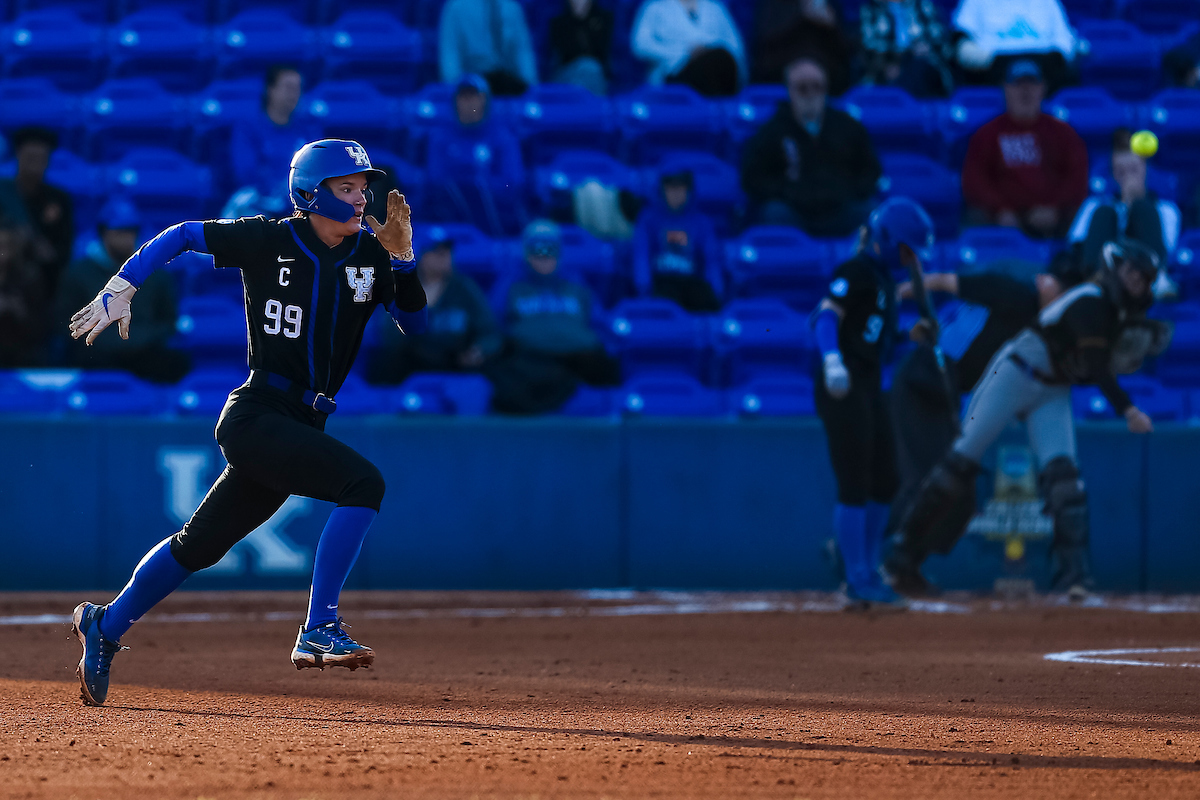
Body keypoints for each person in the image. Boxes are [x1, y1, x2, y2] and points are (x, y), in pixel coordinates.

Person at [66, 139, 429, 706]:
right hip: (258, 413)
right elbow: (185, 233)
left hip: (304, 424)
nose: (362, 197)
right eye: (347, 187)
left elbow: (418, 329)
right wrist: (124, 285)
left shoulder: (370, 255)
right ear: (310, 194)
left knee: (198, 545)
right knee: (364, 484)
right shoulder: (270, 237)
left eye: (363, 186)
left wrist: (404, 261)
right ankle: (319, 627)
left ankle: (104, 626)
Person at [892, 239, 1166, 598]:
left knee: (1065, 477)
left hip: (1053, 387)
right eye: (1131, 274)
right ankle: (901, 556)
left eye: (1142, 279)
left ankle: (1075, 578)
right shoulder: (1088, 300)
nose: (1135, 283)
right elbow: (1096, 365)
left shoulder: (1113, 314)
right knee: (961, 459)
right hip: (1016, 371)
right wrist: (1127, 408)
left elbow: (1083, 366)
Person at [883, 254, 1083, 596]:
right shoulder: (1014, 291)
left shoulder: (1046, 328)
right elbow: (948, 280)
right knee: (924, 481)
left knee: (958, 496)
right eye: (1056, 284)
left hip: (945, 397)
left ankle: (905, 564)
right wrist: (903, 291)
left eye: (1066, 290)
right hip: (919, 385)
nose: (1056, 291)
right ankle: (867, 558)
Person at [812, 197, 935, 606]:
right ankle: (856, 577)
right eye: (906, 249)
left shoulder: (883, 280)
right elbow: (827, 315)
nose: (910, 258)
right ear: (886, 240)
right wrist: (832, 362)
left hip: (868, 381)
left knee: (886, 478)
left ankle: (867, 566)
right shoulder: (857, 271)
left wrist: (906, 337)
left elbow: (873, 332)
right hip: (842, 383)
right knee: (855, 480)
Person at [488, 220, 621, 413]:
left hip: (578, 359)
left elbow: (599, 325)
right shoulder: (510, 286)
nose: (544, 256)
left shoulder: (577, 285)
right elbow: (494, 325)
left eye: (550, 250)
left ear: (559, 252)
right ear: (526, 253)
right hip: (532, 360)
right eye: (537, 250)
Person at [741, 57, 882, 236]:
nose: (810, 93)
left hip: (841, 209)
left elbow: (871, 169)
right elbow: (752, 176)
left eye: (817, 86)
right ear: (790, 90)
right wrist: (786, 191)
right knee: (775, 214)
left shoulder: (847, 126)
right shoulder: (772, 130)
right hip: (795, 212)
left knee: (871, 213)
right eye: (802, 87)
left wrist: (849, 190)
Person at [56, 198, 191, 384]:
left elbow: (168, 321)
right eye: (119, 232)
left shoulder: (156, 275)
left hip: (142, 351)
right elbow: (66, 321)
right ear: (103, 233)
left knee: (175, 363)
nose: (126, 239)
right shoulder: (79, 273)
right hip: (96, 352)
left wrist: (141, 337)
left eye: (130, 232)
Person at [961, 60, 1088, 240]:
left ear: (1042, 89)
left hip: (1054, 216)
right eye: (1018, 85)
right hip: (1003, 217)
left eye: (1031, 85)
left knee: (1082, 213)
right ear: (1006, 89)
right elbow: (974, 180)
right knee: (976, 216)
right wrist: (1000, 209)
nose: (1025, 91)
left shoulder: (1063, 133)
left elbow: (1077, 177)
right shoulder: (987, 134)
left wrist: (1055, 207)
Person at [366, 226, 501, 385]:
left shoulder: (465, 289)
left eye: (447, 251)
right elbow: (388, 336)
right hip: (412, 361)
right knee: (384, 362)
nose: (444, 257)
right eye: (436, 252)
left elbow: (489, 331)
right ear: (421, 255)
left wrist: (479, 351)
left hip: (455, 361)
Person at [1068, 130, 1181, 300]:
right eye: (1121, 172)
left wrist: (1132, 205)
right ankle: (1096, 283)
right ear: (1113, 173)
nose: (1128, 177)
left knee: (1143, 209)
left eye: (1133, 170)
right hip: (1107, 276)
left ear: (1145, 169)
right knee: (1103, 212)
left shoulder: (1166, 209)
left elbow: (1168, 247)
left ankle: (1156, 281)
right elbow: (1078, 246)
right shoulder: (1092, 206)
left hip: (1146, 278)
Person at [426, 75, 527, 237]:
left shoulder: (502, 136)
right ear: (455, 101)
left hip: (495, 217)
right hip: (452, 215)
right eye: (464, 97)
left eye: (474, 96)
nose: (469, 103)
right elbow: (435, 179)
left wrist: (477, 183)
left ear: (485, 100)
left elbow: (512, 182)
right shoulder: (441, 137)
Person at [224, 65, 322, 220]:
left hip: (298, 203)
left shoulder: (308, 129)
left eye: (298, 88)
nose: (294, 94)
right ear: (271, 90)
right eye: (288, 87)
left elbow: (317, 171)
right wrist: (272, 192)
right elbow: (246, 171)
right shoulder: (248, 126)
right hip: (258, 200)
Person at [631, 168, 723, 312]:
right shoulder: (648, 219)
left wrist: (716, 289)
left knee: (704, 299)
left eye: (680, 189)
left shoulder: (702, 222)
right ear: (662, 191)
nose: (675, 195)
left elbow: (711, 258)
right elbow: (641, 254)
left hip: (691, 282)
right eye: (670, 189)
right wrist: (643, 287)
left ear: (689, 191)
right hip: (661, 281)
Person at [0, 126, 74, 294]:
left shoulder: (59, 199)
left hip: (44, 280)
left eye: (41, 158)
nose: (36, 164)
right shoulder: (4, 194)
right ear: (18, 156)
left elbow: (64, 247)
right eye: (30, 158)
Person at [952, 0, 1077, 91]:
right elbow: (962, 42)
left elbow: (1065, 42)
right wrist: (995, 61)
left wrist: (1049, 62)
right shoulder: (975, 2)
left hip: (1044, 73)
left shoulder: (1048, 2)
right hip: (992, 74)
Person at [631, 0, 747, 97]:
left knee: (719, 59)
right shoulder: (655, 7)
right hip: (676, 71)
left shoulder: (716, 9)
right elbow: (640, 46)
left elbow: (736, 48)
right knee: (714, 61)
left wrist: (705, 50)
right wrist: (686, 52)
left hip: (720, 70)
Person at [438, 0, 538, 96]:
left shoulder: (512, 8)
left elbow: (523, 53)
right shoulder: (456, 8)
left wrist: (532, 90)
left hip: (509, 85)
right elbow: (450, 54)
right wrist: (454, 92)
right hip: (472, 87)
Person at [752, 0, 852, 95]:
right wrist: (802, 13)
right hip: (782, 67)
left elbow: (845, 50)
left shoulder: (829, 4)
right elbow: (765, 42)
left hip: (826, 69)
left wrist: (830, 25)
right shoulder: (774, 4)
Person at [859, 0, 956, 98]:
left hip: (924, 65)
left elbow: (941, 43)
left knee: (918, 68)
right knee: (894, 74)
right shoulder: (870, 9)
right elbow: (869, 46)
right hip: (886, 66)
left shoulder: (923, 5)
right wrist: (895, 59)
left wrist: (926, 48)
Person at [0, 222, 49, 367]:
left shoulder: (29, 278)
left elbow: (43, 325)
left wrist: (17, 310)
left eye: (4, 246)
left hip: (22, 356)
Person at [548, 0, 614, 97]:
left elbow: (601, 52)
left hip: (596, 73)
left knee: (591, 70)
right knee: (587, 69)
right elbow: (566, 54)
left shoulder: (604, 19)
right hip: (566, 72)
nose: (578, 2)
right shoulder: (558, 23)